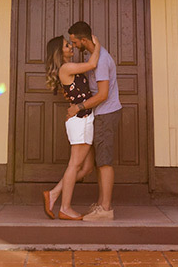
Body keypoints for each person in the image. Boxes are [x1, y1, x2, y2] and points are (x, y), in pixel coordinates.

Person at [42, 32, 101, 221]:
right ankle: (65, 208)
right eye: (67, 45)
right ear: (61, 52)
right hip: (81, 121)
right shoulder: (66, 68)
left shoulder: (69, 68)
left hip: (84, 118)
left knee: (87, 168)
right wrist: (97, 45)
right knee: (75, 165)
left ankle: (53, 193)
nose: (71, 47)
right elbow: (92, 64)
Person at [67, 20, 120, 221]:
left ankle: (105, 209)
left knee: (105, 162)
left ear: (83, 40)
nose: (73, 45)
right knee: (99, 162)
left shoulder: (102, 60)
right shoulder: (95, 55)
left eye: (74, 41)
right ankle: (101, 205)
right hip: (100, 114)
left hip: (106, 113)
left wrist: (78, 107)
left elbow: (103, 94)